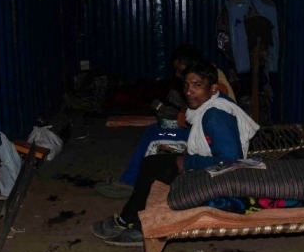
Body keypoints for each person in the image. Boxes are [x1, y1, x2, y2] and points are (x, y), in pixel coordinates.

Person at [91, 60, 259, 246]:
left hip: (222, 177)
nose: (188, 92)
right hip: (212, 167)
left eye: (197, 85)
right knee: (151, 163)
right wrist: (187, 156)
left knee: (154, 170)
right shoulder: (211, 104)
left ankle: (137, 225)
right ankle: (129, 219)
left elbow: (231, 161)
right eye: (186, 85)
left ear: (212, 89)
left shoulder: (215, 116)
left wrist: (187, 162)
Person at [93, 44, 236, 198]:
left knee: (155, 135)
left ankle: (131, 183)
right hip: (205, 132)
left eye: (180, 70)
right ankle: (130, 180)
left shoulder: (214, 83)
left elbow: (225, 151)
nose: (178, 74)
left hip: (210, 139)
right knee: (153, 130)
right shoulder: (207, 74)